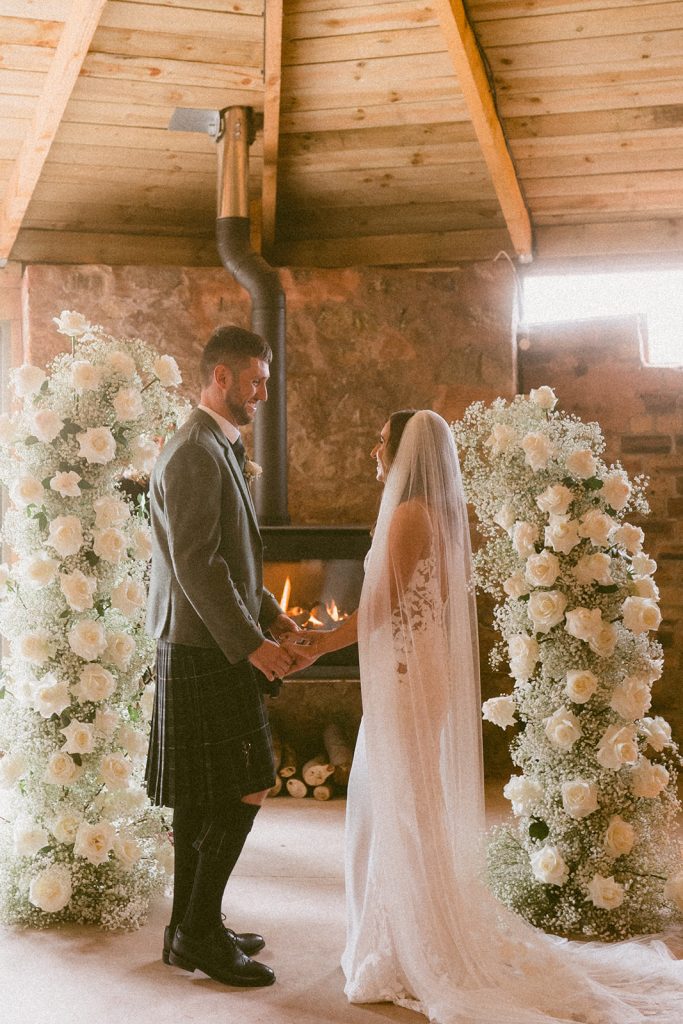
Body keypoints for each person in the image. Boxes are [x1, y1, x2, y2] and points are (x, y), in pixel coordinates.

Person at [285, 409, 683, 1023]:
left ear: (403, 454)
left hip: (406, 677)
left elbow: (383, 609)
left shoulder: (412, 515)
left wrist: (315, 645)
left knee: (397, 799)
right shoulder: (434, 514)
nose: (372, 449)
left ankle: (408, 943)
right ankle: (403, 929)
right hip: (416, 673)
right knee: (404, 795)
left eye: (380, 441)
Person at [144, 324, 304, 988]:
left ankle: (189, 930)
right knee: (248, 781)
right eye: (256, 380)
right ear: (221, 377)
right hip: (205, 645)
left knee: (205, 798)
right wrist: (255, 648)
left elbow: (229, 559)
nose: (263, 393)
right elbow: (198, 567)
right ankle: (199, 932)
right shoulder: (193, 451)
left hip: (208, 639)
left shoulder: (211, 445)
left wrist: (269, 611)